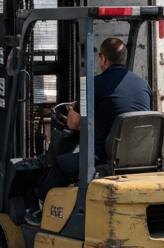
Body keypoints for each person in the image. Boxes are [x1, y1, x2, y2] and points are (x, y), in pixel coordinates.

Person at [30, 37, 153, 220]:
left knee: (62, 164)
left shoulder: (94, 84)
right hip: (141, 159)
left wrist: (71, 110)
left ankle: (42, 211)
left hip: (104, 159)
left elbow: (74, 123)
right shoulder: (143, 85)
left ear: (103, 58)